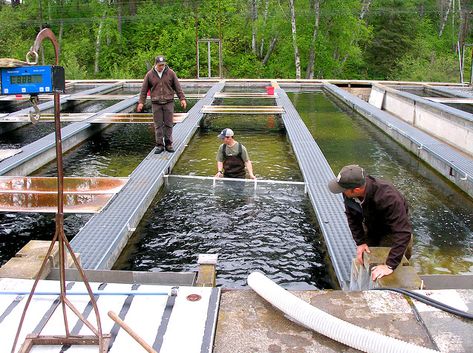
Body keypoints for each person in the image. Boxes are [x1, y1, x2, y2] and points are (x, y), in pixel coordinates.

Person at [328, 164, 413, 281]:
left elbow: (403, 232)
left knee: (394, 272)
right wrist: (360, 242)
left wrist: (389, 265)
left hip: (393, 232)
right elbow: (352, 216)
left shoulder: (389, 197)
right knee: (366, 258)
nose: (341, 192)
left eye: (343, 189)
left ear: (356, 190)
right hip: (372, 226)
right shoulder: (349, 192)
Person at [137, 55, 186, 154]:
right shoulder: (149, 75)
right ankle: (159, 145)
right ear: (155, 64)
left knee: (168, 124)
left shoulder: (171, 73)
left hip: (168, 102)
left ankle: (168, 144)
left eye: (163, 65)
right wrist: (141, 102)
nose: (162, 67)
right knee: (158, 125)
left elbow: (178, 87)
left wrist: (182, 99)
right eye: (160, 65)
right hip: (156, 103)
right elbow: (144, 90)